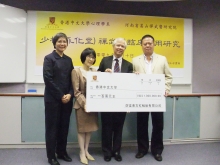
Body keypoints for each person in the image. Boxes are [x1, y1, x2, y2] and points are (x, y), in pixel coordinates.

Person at [132, 34, 172, 162]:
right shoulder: (135, 60)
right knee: (141, 124)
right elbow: (130, 77)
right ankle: (142, 149)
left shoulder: (162, 59)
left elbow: (168, 76)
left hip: (157, 98)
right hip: (141, 98)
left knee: (158, 125)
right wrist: (134, 75)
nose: (148, 45)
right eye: (145, 43)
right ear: (141, 46)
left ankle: (157, 150)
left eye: (150, 43)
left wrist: (166, 89)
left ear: (154, 44)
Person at [98, 38, 133, 162]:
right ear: (113, 47)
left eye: (122, 46)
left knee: (119, 128)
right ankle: (107, 152)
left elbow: (130, 84)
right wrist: (103, 73)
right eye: (118, 45)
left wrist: (137, 77)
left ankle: (117, 151)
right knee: (106, 127)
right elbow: (96, 77)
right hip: (106, 101)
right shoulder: (105, 60)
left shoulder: (129, 65)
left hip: (121, 102)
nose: (119, 48)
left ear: (125, 49)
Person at [43, 32, 74, 165]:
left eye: (64, 41)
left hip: (67, 100)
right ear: (55, 43)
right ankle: (51, 156)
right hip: (53, 100)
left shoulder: (68, 60)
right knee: (52, 128)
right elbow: (48, 79)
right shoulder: (49, 58)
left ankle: (61, 151)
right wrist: (61, 95)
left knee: (64, 127)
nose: (62, 44)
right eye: (60, 41)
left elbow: (73, 80)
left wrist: (70, 94)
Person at [71, 48, 98, 165]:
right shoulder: (76, 71)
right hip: (82, 105)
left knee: (90, 129)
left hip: (93, 105)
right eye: (89, 56)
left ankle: (87, 151)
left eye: (93, 57)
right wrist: (85, 103)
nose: (91, 59)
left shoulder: (95, 71)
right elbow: (76, 91)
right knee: (82, 130)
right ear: (84, 57)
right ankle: (81, 152)